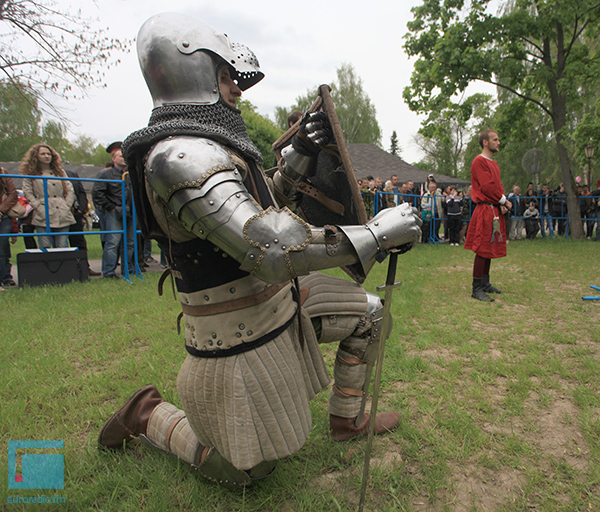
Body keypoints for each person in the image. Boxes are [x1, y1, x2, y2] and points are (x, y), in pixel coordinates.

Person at [97, 13, 421, 489]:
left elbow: (262, 204)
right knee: (245, 472)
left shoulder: (213, 146)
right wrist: (374, 233)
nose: (238, 88)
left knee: (371, 315)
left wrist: (302, 152)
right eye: (228, 76)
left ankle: (346, 421)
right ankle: (149, 415)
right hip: (233, 325)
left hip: (277, 298)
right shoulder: (178, 158)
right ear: (198, 73)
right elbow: (266, 248)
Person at [464, 129, 511, 301]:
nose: (498, 143)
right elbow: (487, 187)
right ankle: (476, 288)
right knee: (483, 248)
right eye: (495, 139)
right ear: (485, 142)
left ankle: (485, 283)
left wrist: (502, 203)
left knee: (489, 246)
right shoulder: (479, 161)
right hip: (484, 209)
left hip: (494, 209)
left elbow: (498, 186)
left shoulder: (494, 164)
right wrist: (504, 201)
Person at [92, 142, 135, 279]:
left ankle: (128, 269)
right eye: (120, 156)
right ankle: (109, 271)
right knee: (113, 242)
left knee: (130, 242)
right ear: (113, 159)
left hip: (130, 211)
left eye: (125, 156)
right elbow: (97, 193)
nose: (124, 158)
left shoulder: (132, 174)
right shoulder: (105, 174)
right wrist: (110, 207)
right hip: (114, 211)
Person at [20, 144, 75, 249]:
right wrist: (38, 207)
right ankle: (48, 265)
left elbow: (70, 190)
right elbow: (28, 192)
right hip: (42, 210)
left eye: (49, 154)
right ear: (36, 156)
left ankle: (62, 265)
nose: (46, 156)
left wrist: (66, 206)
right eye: (43, 154)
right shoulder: (30, 173)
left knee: (62, 245)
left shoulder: (60, 172)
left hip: (61, 210)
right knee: (44, 245)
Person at [66, 169, 101, 276]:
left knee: (79, 242)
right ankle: (64, 271)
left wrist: (81, 210)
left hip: (76, 214)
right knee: (59, 243)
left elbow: (81, 193)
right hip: (58, 213)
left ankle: (84, 268)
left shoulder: (72, 174)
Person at [0, 167, 19, 290]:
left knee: (2, 246)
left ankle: (6, 277)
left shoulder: (3, 172)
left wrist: (1, 210)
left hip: (4, 215)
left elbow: (13, 194)